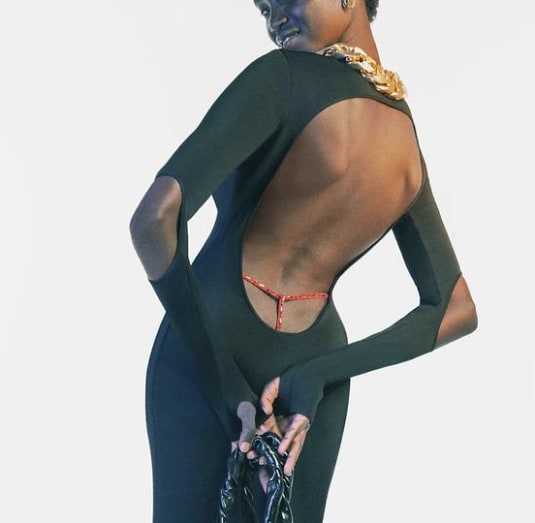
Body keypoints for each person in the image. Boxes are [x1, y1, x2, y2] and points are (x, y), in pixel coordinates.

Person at [130, 0, 478, 521]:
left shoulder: (281, 78)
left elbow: (154, 220)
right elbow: (454, 308)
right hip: (312, 378)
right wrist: (319, 374)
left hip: (209, 347)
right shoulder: (404, 138)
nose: (275, 19)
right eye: (264, 8)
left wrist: (227, 386)